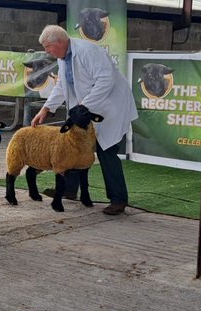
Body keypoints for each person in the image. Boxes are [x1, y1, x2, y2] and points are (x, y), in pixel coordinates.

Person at [29, 25, 137, 215]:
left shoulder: (88, 51)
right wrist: (46, 108)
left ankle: (118, 199)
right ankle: (69, 190)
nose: (47, 51)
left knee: (107, 151)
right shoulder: (63, 58)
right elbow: (62, 85)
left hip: (110, 106)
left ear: (59, 43)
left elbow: (106, 79)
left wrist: (84, 105)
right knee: (74, 146)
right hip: (88, 108)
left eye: (48, 47)